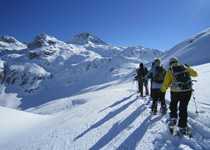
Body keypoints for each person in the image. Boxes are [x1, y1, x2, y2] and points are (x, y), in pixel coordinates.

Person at [160, 57, 198, 134]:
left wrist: (162, 90)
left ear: (170, 63)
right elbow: (195, 74)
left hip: (175, 91)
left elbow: (166, 83)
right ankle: (183, 126)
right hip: (187, 91)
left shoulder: (170, 70)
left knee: (173, 104)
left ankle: (173, 119)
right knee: (183, 107)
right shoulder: (184, 67)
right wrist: (189, 69)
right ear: (177, 62)